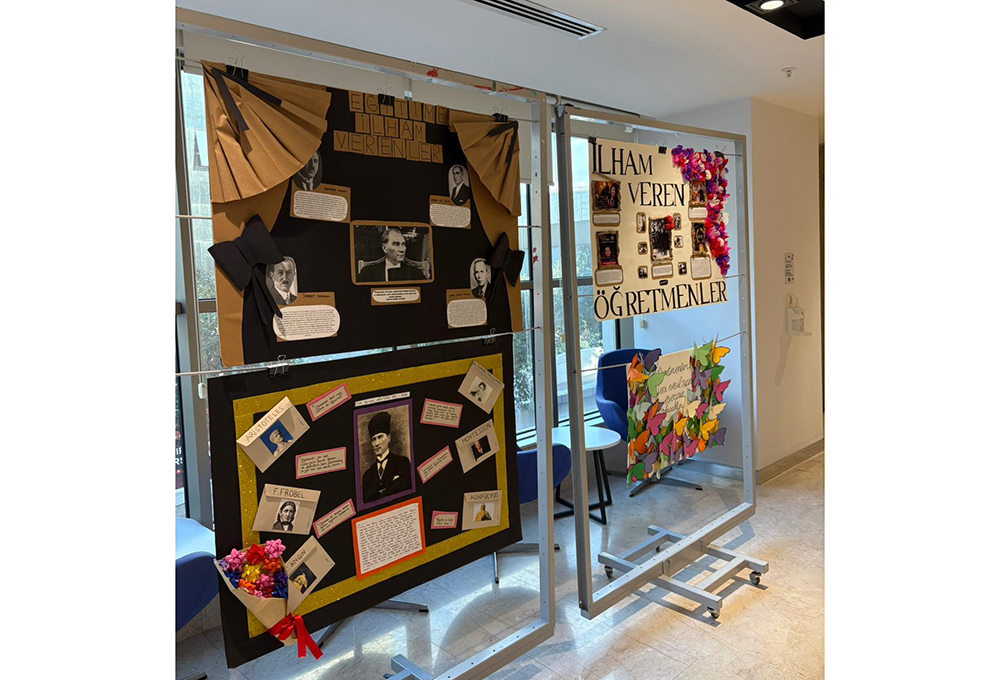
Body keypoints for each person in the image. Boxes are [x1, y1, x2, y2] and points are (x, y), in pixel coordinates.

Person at [361, 411, 412, 504]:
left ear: (389, 438)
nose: (376, 443)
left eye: (380, 437)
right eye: (373, 439)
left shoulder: (402, 463)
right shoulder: (367, 476)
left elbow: (409, 493)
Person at [358, 227, 427, 282]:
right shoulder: (368, 273)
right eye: (396, 244)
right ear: (385, 248)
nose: (402, 250)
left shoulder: (415, 274)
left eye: (403, 244)